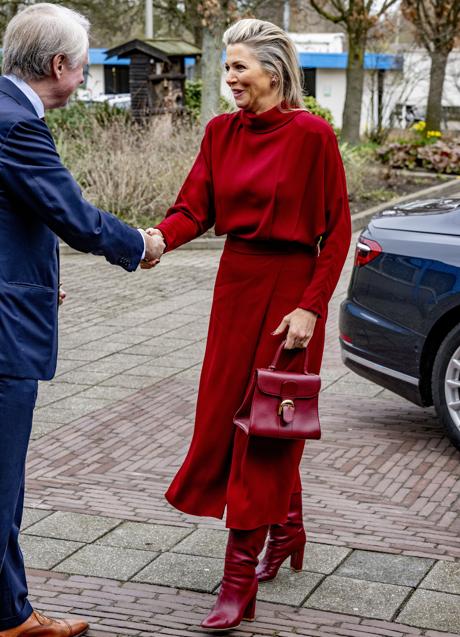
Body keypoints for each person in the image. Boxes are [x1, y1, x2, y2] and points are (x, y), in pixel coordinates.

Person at [148, 18, 351, 632]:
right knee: (227, 414)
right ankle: (286, 528)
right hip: (235, 287)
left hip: (291, 295)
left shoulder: (313, 136)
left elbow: (337, 231)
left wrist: (310, 307)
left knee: (266, 427)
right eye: (227, 68)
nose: (229, 78)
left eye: (239, 67)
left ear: (273, 70)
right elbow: (194, 208)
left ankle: (238, 583)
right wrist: (159, 238)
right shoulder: (219, 133)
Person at [0, 4, 164, 636]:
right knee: (1, 483)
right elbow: (72, 213)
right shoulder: (17, 127)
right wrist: (139, 246)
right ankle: (9, 616)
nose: (85, 78)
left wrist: (36, 282)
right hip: (3, 338)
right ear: (59, 65)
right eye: (84, 65)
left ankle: (10, 610)